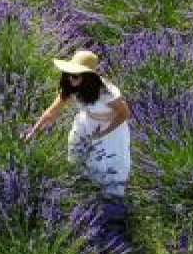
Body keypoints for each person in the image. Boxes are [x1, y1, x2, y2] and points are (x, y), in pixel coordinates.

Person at [22, 50, 132, 236]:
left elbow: (124, 114)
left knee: (106, 166)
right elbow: (52, 111)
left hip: (109, 128)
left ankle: (114, 215)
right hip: (85, 124)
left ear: (88, 77)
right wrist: (34, 131)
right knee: (77, 159)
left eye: (75, 76)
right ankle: (84, 195)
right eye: (68, 74)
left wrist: (103, 133)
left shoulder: (107, 92)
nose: (70, 79)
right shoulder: (70, 86)